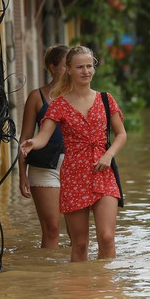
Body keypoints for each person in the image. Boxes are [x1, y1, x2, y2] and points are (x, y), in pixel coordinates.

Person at [20, 45, 126, 262]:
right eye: (80, 67)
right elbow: (44, 136)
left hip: (103, 172)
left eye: (89, 66)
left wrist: (108, 155)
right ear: (68, 69)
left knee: (107, 237)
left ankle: (107, 289)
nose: (86, 71)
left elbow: (121, 134)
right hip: (74, 176)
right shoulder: (58, 104)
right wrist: (32, 143)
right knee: (79, 244)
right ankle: (80, 291)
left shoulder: (106, 99)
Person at [18, 45, 69, 249]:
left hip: (75, 165)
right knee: (52, 228)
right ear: (52, 67)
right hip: (43, 167)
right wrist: (22, 175)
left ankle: (79, 277)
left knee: (77, 231)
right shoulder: (36, 97)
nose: (70, 70)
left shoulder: (79, 96)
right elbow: (25, 138)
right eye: (66, 65)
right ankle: (50, 275)